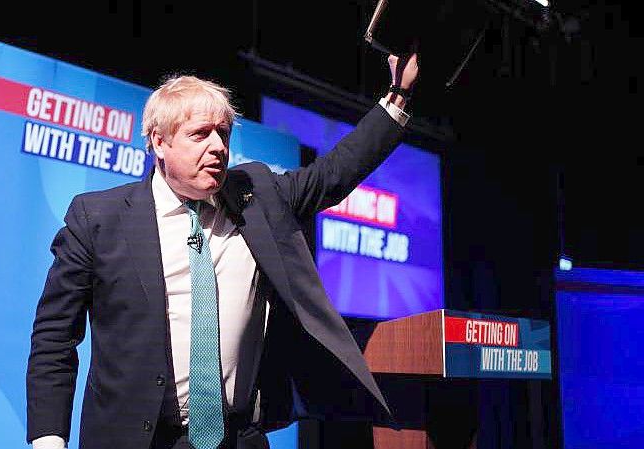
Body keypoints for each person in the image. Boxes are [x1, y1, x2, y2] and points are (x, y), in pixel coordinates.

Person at [27, 53, 419, 449]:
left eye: (224, 133)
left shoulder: (258, 195)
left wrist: (398, 95)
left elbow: (333, 174)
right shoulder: (97, 217)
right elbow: (55, 337)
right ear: (158, 142)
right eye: (200, 134)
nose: (218, 146)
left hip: (237, 437)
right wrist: (48, 440)